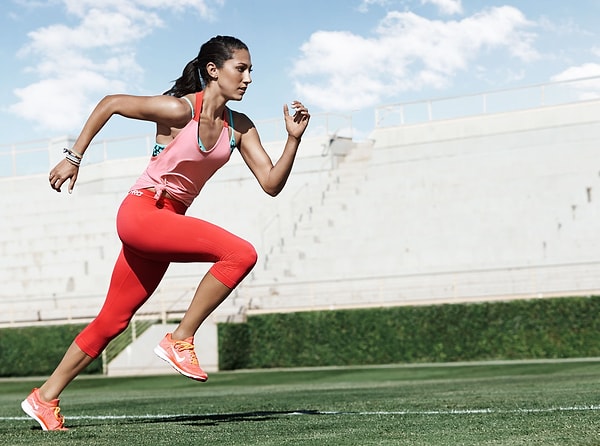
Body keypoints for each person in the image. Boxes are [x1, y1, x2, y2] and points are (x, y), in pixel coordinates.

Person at [20, 35, 310, 431]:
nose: (248, 78)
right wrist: (74, 157)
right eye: (240, 69)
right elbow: (111, 103)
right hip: (142, 212)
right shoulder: (178, 110)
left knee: (113, 321)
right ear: (213, 70)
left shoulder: (239, 127)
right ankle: (180, 339)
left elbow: (271, 182)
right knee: (240, 254)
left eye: (250, 71)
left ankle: (45, 397)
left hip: (166, 221)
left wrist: (292, 140)